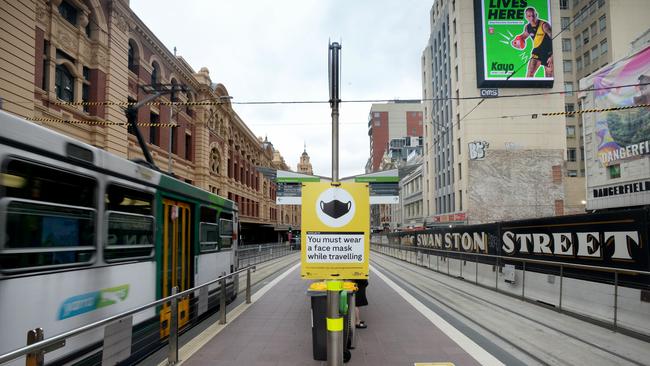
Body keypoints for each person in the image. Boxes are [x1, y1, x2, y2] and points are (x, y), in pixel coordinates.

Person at [512, 7, 553, 78]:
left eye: (533, 15)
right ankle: (527, 88)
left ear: (536, 14)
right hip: (537, 52)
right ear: (526, 17)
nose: (531, 18)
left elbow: (555, 40)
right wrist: (515, 42)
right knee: (530, 73)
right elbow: (523, 36)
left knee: (548, 77)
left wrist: (552, 56)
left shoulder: (544, 25)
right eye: (529, 16)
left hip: (548, 53)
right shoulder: (527, 27)